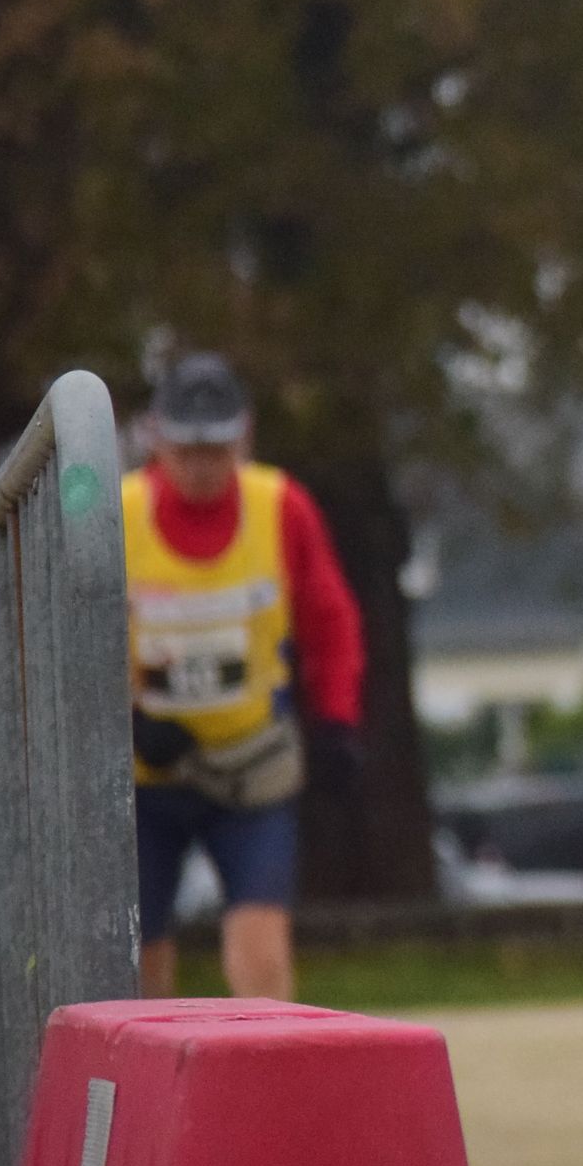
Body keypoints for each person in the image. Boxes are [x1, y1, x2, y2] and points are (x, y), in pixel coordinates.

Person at [126, 352, 365, 1001]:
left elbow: (330, 622)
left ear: (245, 437)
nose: (202, 467)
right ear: (156, 437)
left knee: (261, 950)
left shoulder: (281, 507)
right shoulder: (120, 516)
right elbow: (74, 640)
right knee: (139, 957)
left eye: (217, 449)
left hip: (251, 767)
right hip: (145, 778)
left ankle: (264, 1063)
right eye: (187, 449)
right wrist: (128, 722)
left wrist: (336, 721)